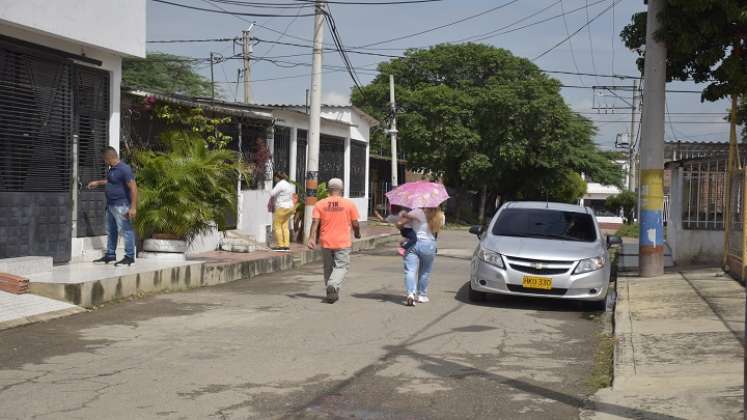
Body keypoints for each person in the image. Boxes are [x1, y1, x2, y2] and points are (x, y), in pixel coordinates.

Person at [307, 178, 361, 303]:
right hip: (342, 242)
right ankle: (332, 285)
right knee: (341, 266)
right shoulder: (349, 204)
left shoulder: (320, 204)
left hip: (325, 241)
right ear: (341, 189)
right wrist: (357, 233)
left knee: (328, 267)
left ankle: (331, 292)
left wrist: (311, 238)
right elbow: (355, 223)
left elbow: (315, 222)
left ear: (328, 189)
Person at [87, 147, 138, 266]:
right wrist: (98, 183)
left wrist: (133, 207)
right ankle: (110, 255)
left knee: (127, 231)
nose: (104, 162)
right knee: (111, 231)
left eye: (104, 159)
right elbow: (111, 181)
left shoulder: (124, 169)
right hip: (110, 205)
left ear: (109, 157)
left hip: (122, 206)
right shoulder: (112, 169)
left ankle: (129, 257)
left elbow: (134, 188)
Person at [398, 207, 445, 306]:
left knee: (410, 270)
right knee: (425, 271)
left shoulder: (415, 212)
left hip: (413, 243)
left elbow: (403, 225)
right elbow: (436, 232)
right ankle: (422, 296)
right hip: (429, 244)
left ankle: (410, 294)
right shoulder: (440, 216)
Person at [270, 171, 295, 252]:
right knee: (285, 226)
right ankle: (286, 245)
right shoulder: (288, 184)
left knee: (277, 226)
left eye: (275, 177)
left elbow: (272, 193)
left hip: (281, 207)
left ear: (277, 177)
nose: (274, 179)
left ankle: (280, 245)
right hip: (290, 207)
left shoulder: (280, 184)